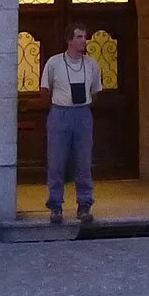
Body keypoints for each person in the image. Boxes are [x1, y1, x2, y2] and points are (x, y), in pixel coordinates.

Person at [40, 24, 103, 225]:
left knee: (83, 162)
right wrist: (58, 104)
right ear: (69, 40)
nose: (84, 40)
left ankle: (84, 204)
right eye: (79, 37)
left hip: (82, 114)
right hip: (60, 113)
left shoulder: (92, 64)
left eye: (85, 36)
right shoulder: (54, 63)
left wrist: (85, 105)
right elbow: (45, 89)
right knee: (56, 162)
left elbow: (96, 90)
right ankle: (55, 206)